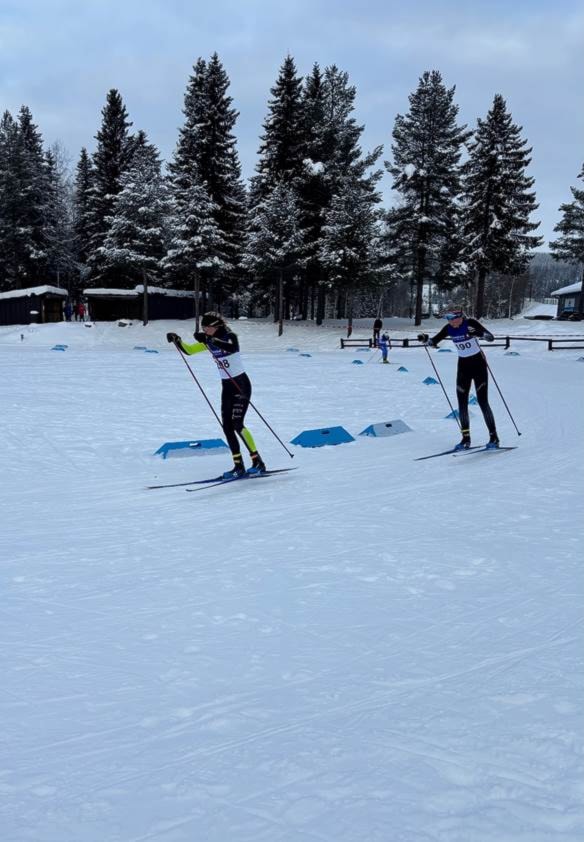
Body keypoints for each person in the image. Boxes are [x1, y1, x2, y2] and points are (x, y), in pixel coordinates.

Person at [167, 312, 266, 478]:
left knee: (237, 424)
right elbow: (189, 351)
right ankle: (238, 466)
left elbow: (232, 348)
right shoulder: (209, 341)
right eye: (203, 328)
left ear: (215, 326)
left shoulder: (229, 336)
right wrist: (177, 340)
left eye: (206, 327)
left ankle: (258, 462)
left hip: (241, 385)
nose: (204, 330)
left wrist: (209, 340)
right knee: (227, 426)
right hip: (227, 387)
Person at [418, 306, 499, 450]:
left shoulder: (470, 323)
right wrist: (425, 340)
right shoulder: (448, 328)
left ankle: (494, 437)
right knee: (462, 403)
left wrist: (477, 333)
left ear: (460, 317)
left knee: (482, 402)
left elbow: (490, 337)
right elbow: (434, 341)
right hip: (463, 367)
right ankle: (465, 439)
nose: (450, 322)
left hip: (479, 365)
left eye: (451, 319)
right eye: (447, 319)